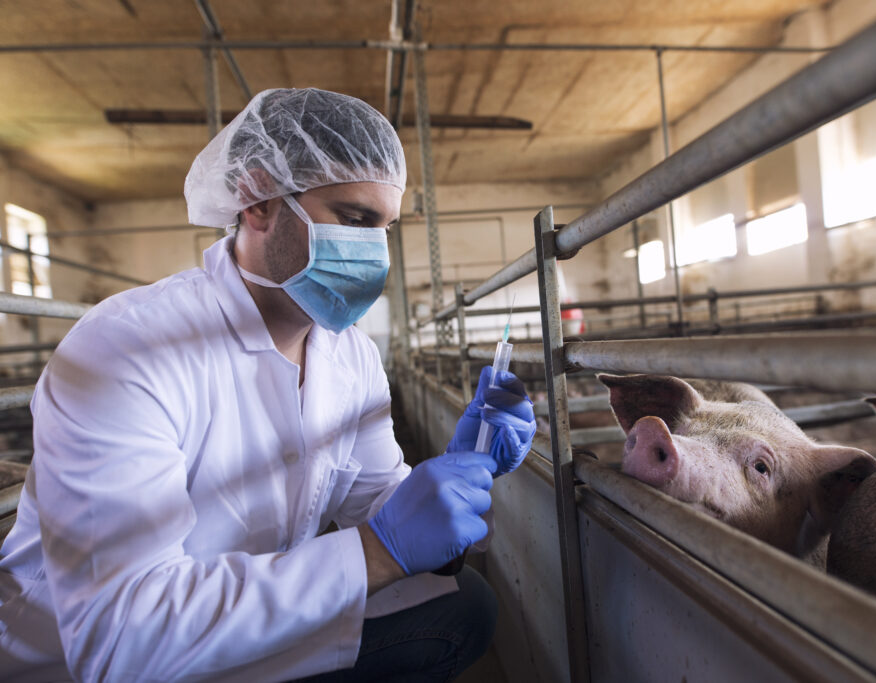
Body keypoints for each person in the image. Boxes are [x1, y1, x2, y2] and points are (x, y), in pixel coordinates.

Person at [0, 88, 536, 682]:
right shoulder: (127, 349)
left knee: (462, 607)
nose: (374, 253)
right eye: (354, 220)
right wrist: (377, 552)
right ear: (258, 201)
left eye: (385, 228)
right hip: (87, 662)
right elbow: (120, 642)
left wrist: (462, 471)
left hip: (243, 621)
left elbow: (381, 502)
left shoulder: (350, 354)